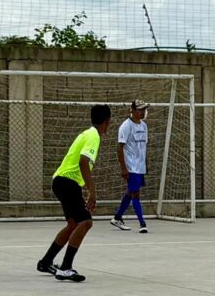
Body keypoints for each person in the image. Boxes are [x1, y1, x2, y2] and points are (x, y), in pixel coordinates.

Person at [37, 104, 112, 282]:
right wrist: (92, 192)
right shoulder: (94, 136)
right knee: (85, 222)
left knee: (73, 224)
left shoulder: (87, 133)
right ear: (107, 121)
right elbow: (83, 162)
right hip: (67, 182)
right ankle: (65, 267)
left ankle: (46, 262)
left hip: (60, 181)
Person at [111, 100, 150, 233]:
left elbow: (144, 147)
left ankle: (117, 217)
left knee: (130, 192)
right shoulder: (126, 126)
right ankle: (142, 223)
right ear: (132, 110)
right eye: (140, 109)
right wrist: (124, 168)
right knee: (136, 194)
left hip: (140, 167)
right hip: (131, 167)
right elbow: (120, 147)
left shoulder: (144, 126)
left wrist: (146, 163)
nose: (143, 112)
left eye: (144, 109)